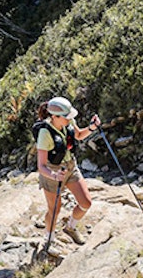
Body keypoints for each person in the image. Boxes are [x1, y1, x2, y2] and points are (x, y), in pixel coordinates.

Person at [33, 96, 100, 247]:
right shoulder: (45, 133)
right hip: (52, 171)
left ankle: (70, 227)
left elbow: (78, 135)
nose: (70, 119)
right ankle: (48, 239)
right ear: (55, 116)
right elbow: (41, 166)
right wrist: (54, 175)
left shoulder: (68, 122)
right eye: (66, 117)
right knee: (55, 209)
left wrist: (92, 128)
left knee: (86, 203)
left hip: (70, 166)